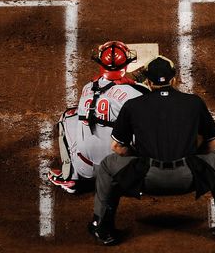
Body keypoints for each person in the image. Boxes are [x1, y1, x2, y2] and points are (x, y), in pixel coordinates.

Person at [87, 55, 215, 245]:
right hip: (188, 178)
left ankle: (103, 228)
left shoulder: (133, 105)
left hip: (146, 179)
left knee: (107, 165)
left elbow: (117, 147)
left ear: (147, 82)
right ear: (174, 80)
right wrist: (195, 157)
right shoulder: (194, 102)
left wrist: (138, 158)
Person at [47, 41, 149, 193]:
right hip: (119, 169)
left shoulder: (88, 87)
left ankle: (70, 175)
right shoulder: (135, 92)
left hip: (85, 169)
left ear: (101, 63)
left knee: (69, 117)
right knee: (143, 123)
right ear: (126, 64)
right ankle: (146, 174)